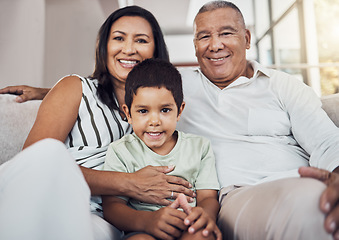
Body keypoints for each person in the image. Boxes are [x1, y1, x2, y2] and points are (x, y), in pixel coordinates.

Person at [4, 1, 339, 239]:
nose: (215, 45)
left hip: (124, 216)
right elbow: (110, 90)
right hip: (79, 196)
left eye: (141, 41)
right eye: (118, 39)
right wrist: (50, 92)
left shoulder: (175, 92)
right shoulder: (90, 89)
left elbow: (326, 142)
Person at [0, 5, 195, 240]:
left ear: (156, 51)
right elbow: (35, 163)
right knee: (48, 153)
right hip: (58, 199)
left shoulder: (166, 112)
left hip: (111, 220)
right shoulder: (76, 89)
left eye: (141, 40)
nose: (129, 49)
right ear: (104, 47)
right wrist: (129, 183)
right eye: (119, 38)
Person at [176, 1, 339, 240]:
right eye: (204, 37)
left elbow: (325, 140)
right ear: (195, 46)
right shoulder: (176, 89)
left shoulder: (283, 84)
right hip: (241, 194)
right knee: (313, 208)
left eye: (226, 33)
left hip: (303, 179)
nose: (215, 45)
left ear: (247, 38)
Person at [102, 58, 221, 240]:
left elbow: (208, 198)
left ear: (179, 111)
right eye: (143, 111)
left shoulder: (199, 147)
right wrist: (147, 221)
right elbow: (112, 207)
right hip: (143, 229)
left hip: (188, 226)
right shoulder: (121, 151)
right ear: (128, 113)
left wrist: (205, 216)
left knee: (202, 236)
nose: (154, 121)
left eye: (165, 110)